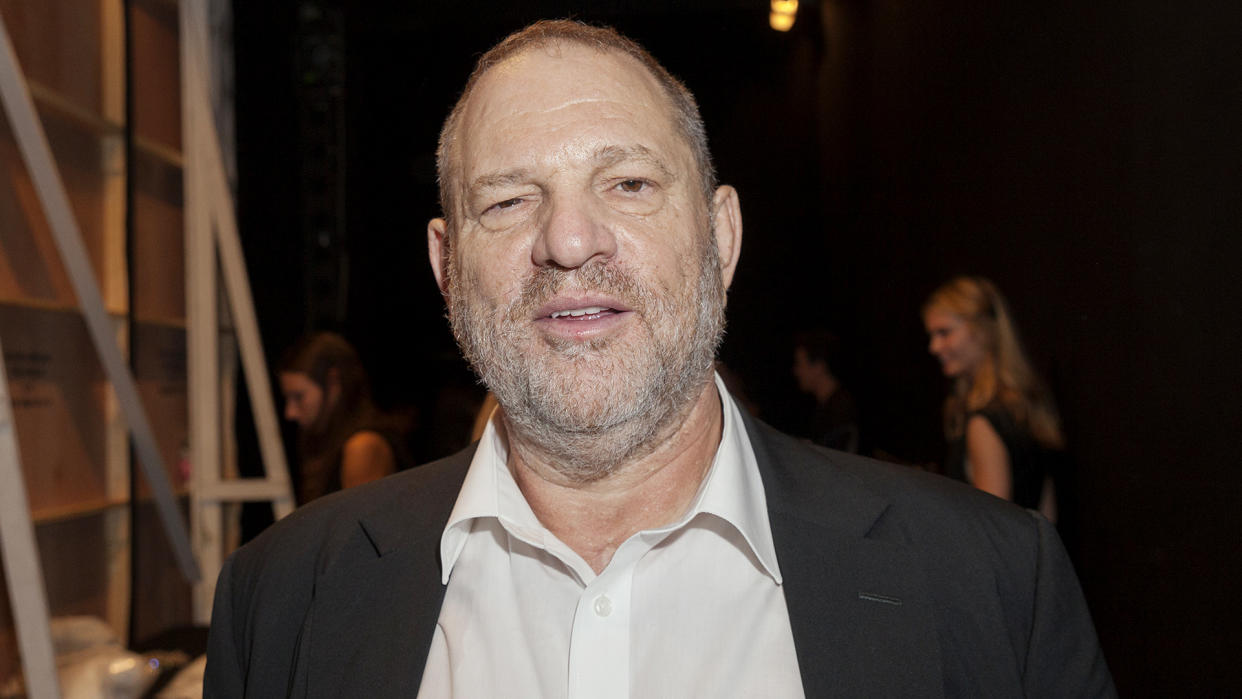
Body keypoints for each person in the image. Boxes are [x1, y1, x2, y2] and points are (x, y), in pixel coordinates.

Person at [205, 21, 1114, 697]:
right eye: (510, 200)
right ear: (447, 266)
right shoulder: (283, 599)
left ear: (721, 237)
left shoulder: (991, 585)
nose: (567, 240)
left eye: (629, 184)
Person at [923, 276, 1065, 515]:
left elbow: (992, 528)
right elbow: (1047, 513)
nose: (934, 347)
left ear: (983, 330)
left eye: (944, 332)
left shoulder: (984, 420)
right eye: (932, 335)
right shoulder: (1024, 403)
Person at [277, 331, 409, 504]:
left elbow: (358, 528)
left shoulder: (363, 446)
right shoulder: (326, 441)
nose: (290, 412)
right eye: (288, 398)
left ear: (333, 383)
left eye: (299, 396)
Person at [791, 329, 859, 452]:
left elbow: (835, 460)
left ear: (818, 367)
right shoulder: (825, 407)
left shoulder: (840, 410)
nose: (796, 371)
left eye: (800, 363)